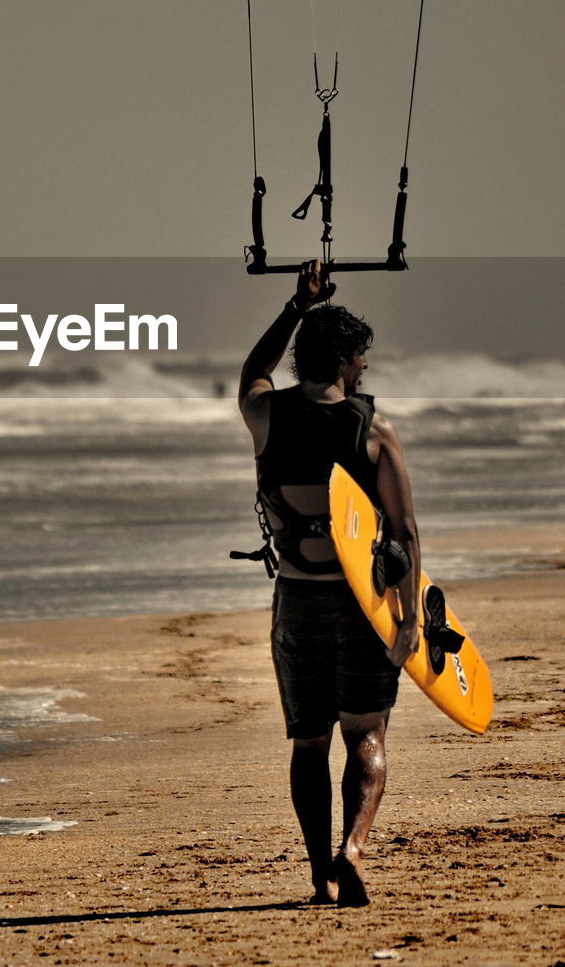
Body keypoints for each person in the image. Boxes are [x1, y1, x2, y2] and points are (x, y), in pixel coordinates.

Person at [238, 259, 421, 907]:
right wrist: (409, 621)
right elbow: (402, 532)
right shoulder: (374, 431)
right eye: (361, 362)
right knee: (365, 735)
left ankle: (320, 873)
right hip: (362, 605)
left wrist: (296, 305)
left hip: (297, 599)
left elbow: (251, 373)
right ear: (345, 362)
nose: (364, 372)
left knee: (309, 743)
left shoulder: (266, 417)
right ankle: (355, 850)